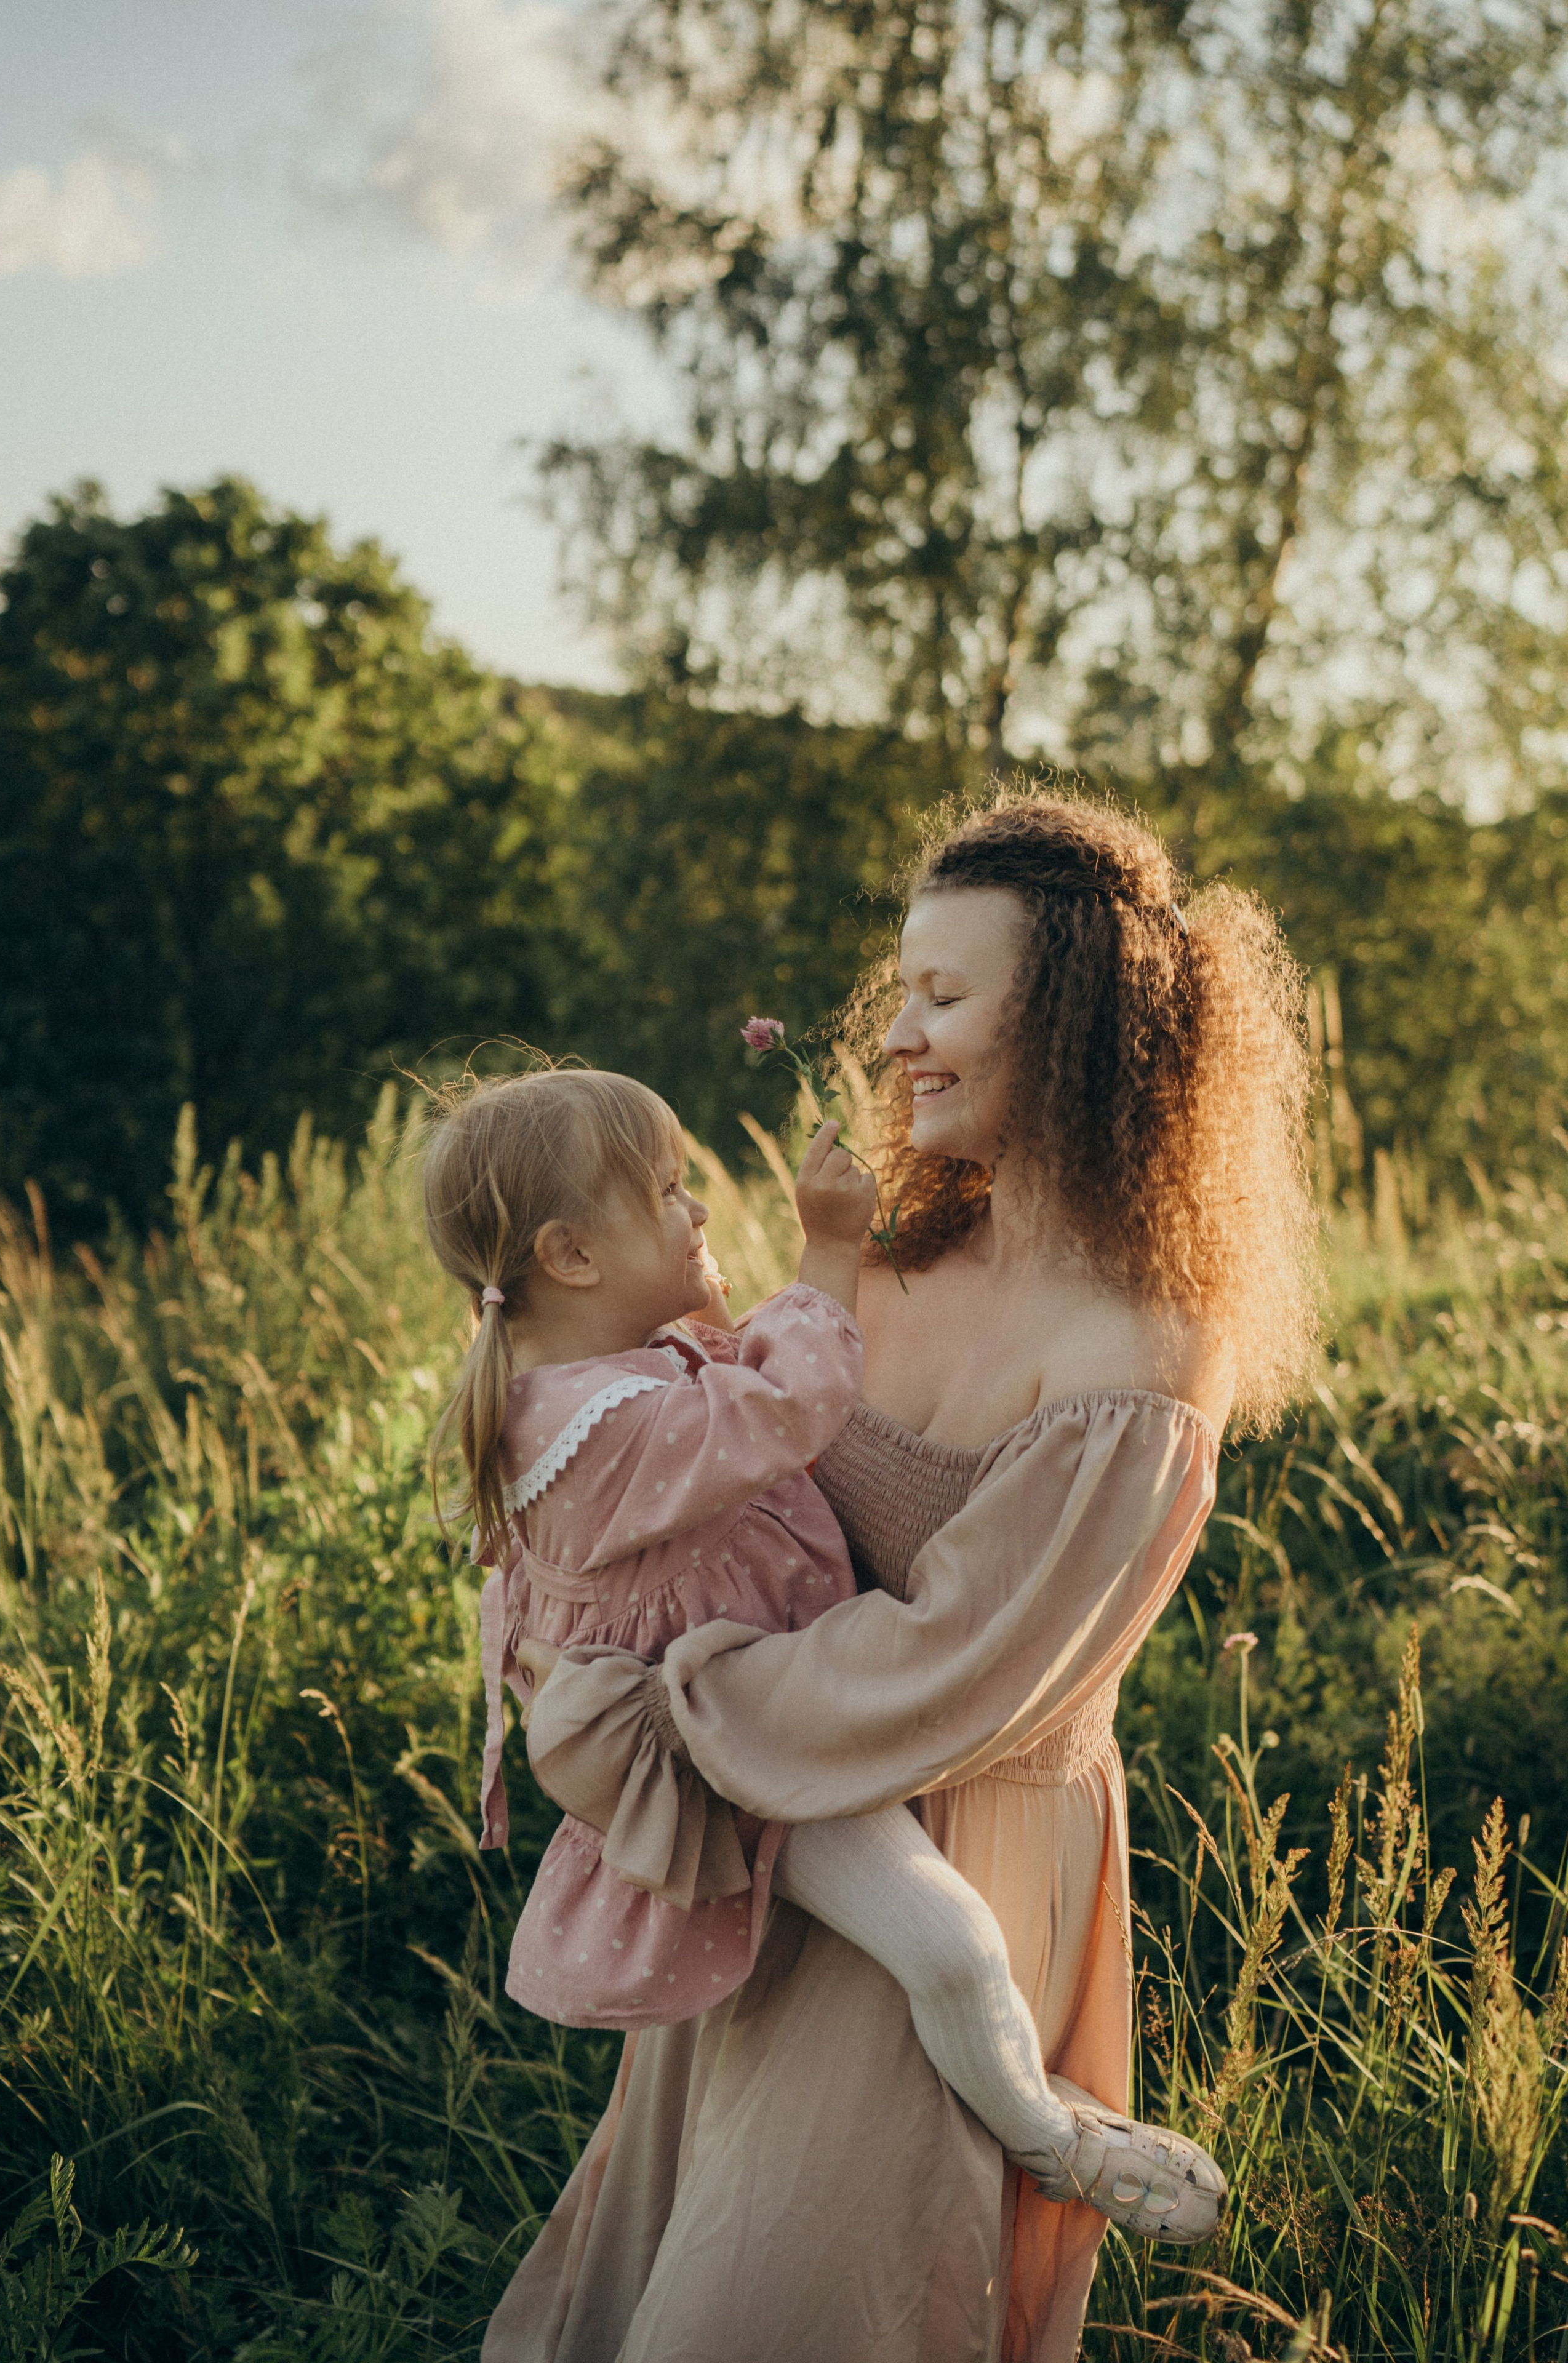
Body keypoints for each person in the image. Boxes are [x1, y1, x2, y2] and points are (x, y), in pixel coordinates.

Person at [487, 792, 1318, 2363]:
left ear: (1073, 1023)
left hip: (950, 1858)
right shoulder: (882, 1260)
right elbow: (670, 1483)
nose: (897, 1040)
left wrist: (655, 1715)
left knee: (790, 2305)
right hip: (770, 1835)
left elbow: (952, 1666)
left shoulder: (1137, 1355)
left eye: (944, 998)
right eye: (899, 996)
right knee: (685, 2271)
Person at [422, 1065, 1223, 2239]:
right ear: (573, 1258)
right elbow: (786, 1405)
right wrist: (829, 1251)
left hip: (756, 1708)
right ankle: (1054, 2140)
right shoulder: (595, 1428)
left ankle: (1031, 2109)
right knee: (949, 1947)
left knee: (933, 1950)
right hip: (730, 1735)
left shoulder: (593, 1386)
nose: (697, 1214)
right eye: (667, 1194)